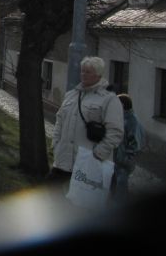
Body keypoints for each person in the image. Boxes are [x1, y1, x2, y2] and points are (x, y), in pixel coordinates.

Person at [49, 56, 124, 189]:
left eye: (88, 72)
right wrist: (56, 143)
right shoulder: (71, 95)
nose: (83, 74)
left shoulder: (109, 99)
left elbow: (115, 131)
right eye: (82, 71)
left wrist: (99, 153)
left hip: (88, 164)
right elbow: (59, 120)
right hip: (62, 161)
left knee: (80, 200)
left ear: (98, 75)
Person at [111, 93, 144, 200]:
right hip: (116, 160)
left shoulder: (131, 120)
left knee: (120, 190)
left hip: (123, 162)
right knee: (113, 187)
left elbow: (135, 143)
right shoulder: (120, 118)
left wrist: (126, 159)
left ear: (122, 105)